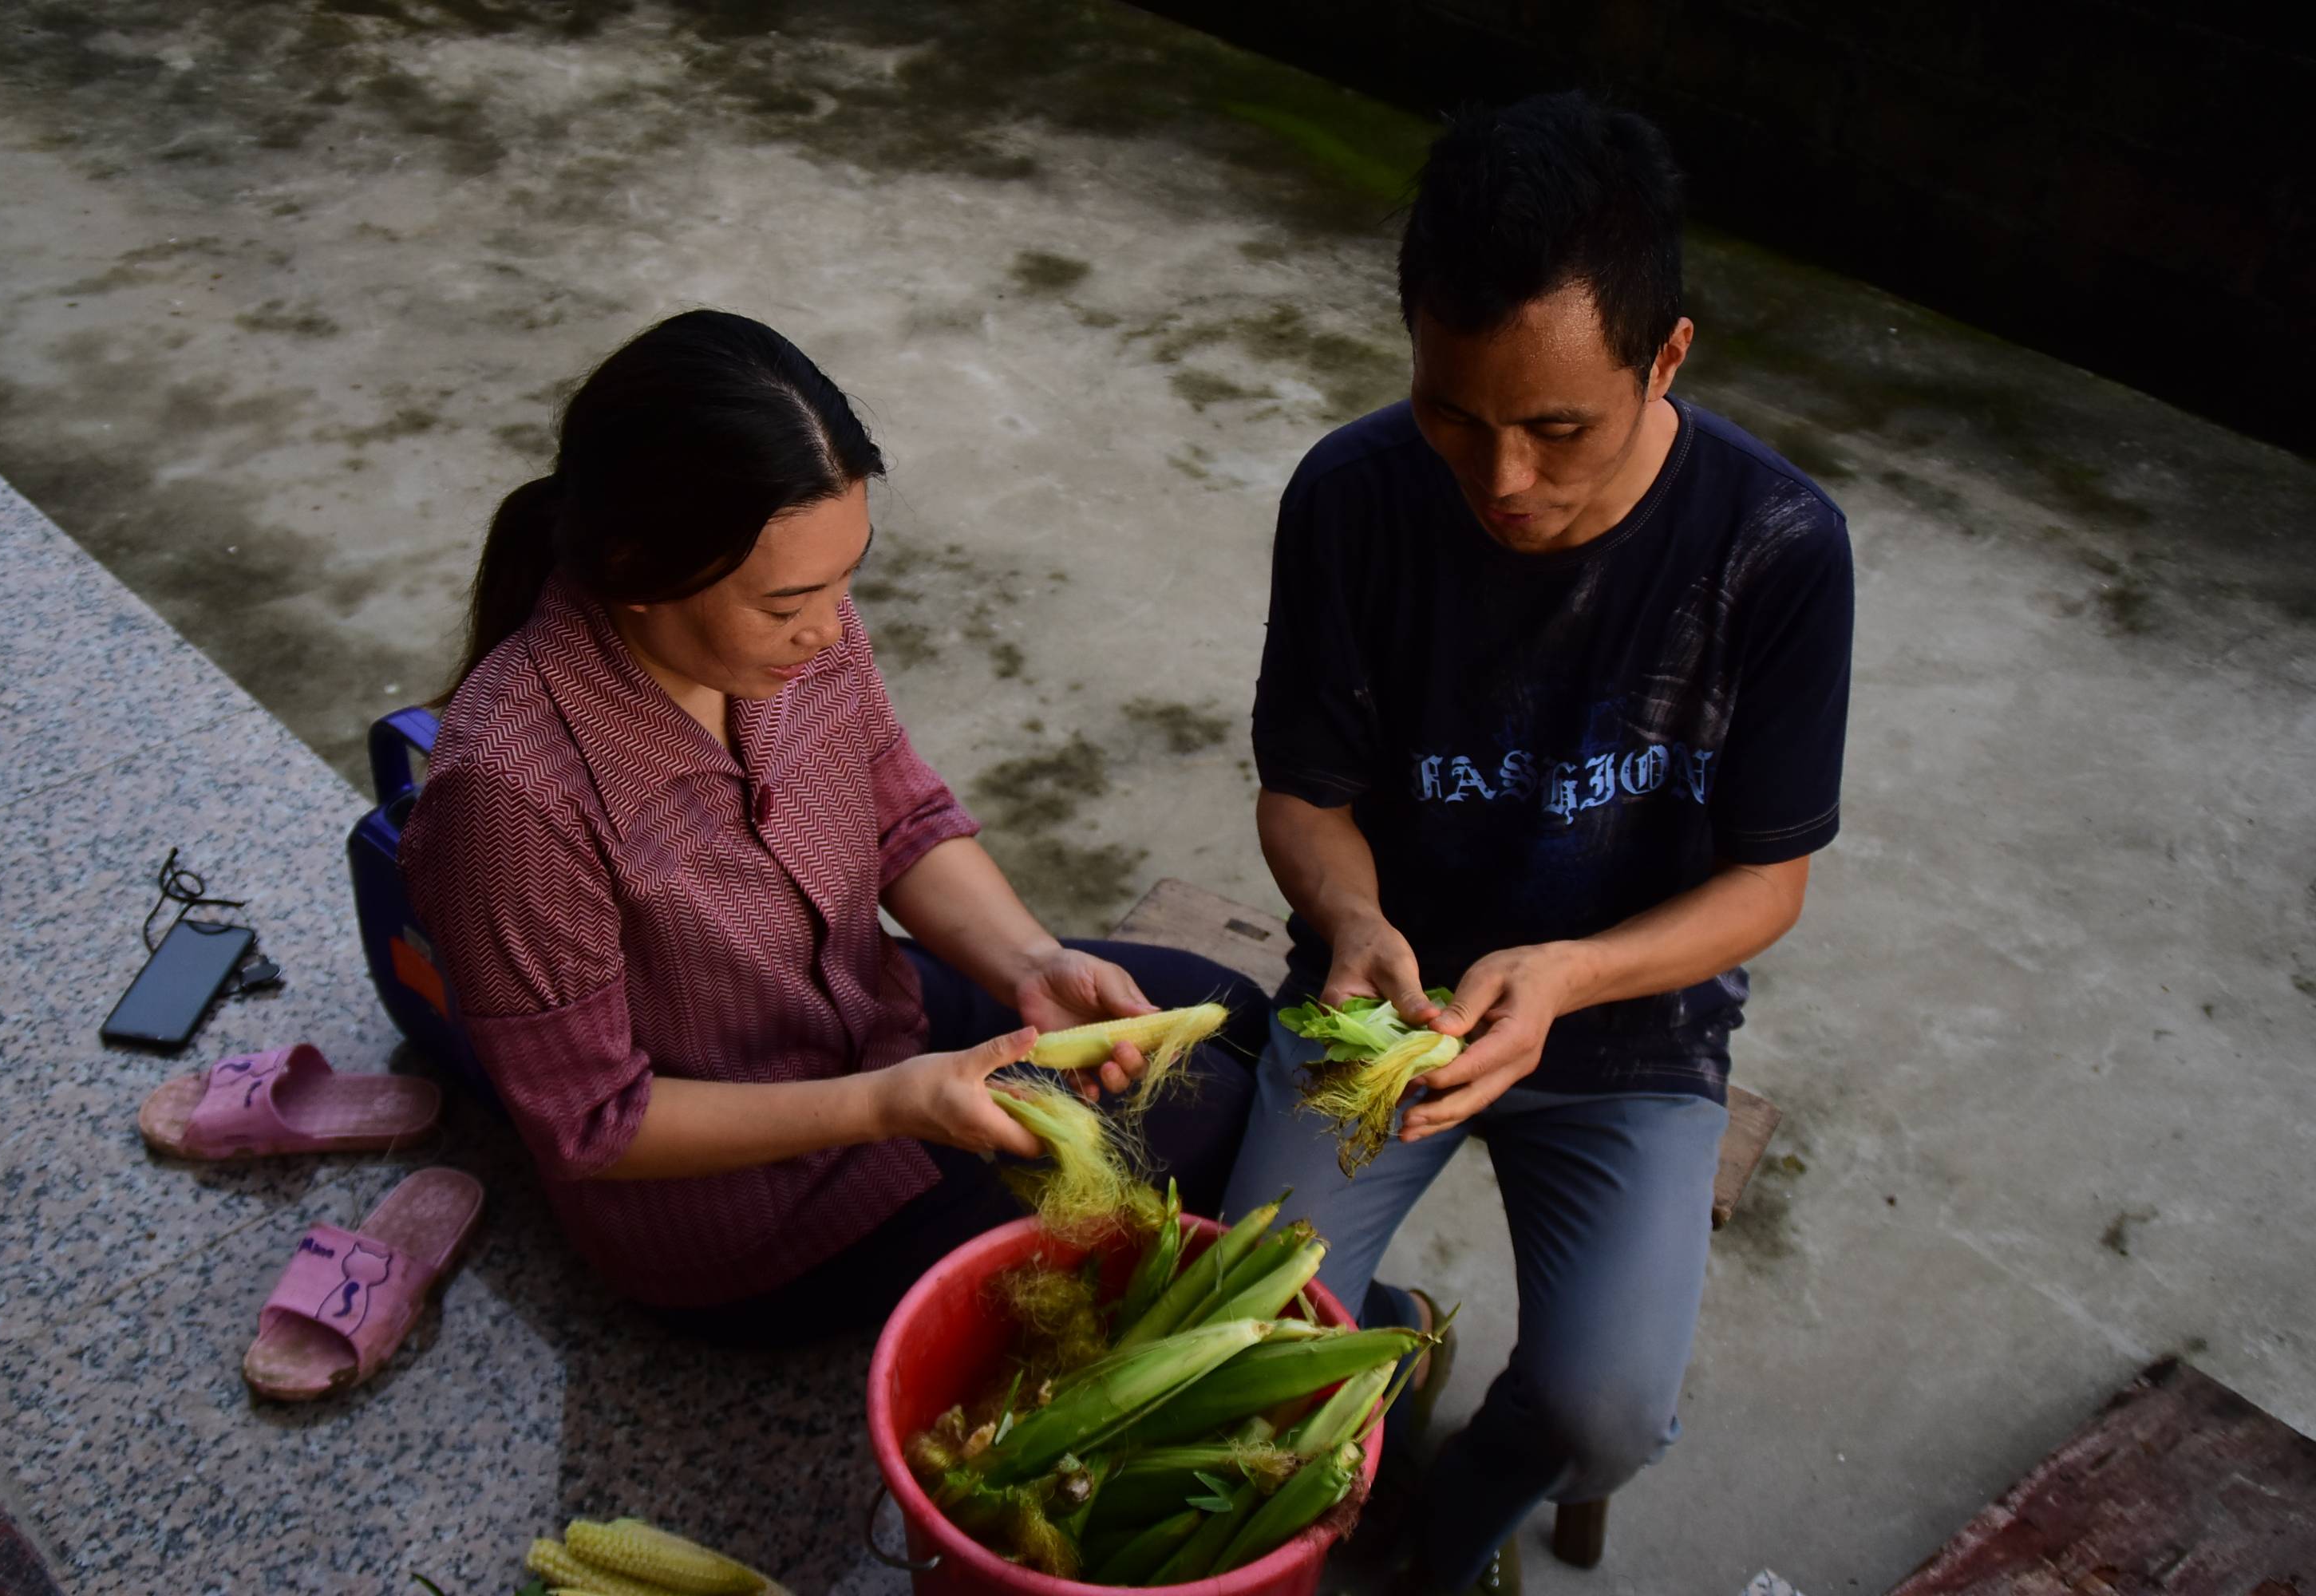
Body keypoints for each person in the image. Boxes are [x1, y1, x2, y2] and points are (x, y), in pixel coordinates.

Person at [1220, 94, 1855, 1593]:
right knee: (1238, 1343)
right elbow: (1303, 794)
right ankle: (1391, 1384)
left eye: (1557, 427)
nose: (1499, 479)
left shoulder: (1778, 548)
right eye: (1454, 412)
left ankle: (1446, 1523)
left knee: (1608, 1412)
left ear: (1668, 357)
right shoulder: (1353, 500)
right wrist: (1355, 924)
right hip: (1387, 1010)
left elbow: (1769, 880)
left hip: (1625, 1029)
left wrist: (1569, 975)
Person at [399, 310, 1263, 1340]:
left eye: (846, 578)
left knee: (1232, 1008)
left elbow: (899, 811)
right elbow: (593, 1119)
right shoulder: (511, 797)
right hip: (748, 1199)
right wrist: (888, 1105)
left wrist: (1029, 961)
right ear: (635, 568)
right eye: (788, 605)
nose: (829, 627)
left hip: (876, 1019)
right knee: (1209, 1111)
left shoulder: (795, 628)